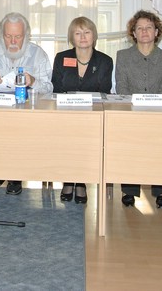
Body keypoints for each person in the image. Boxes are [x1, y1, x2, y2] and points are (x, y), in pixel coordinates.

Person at [0, 12, 53, 196]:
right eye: (8, 36)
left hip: (26, 113)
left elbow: (49, 88)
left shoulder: (38, 54)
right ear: (1, 35)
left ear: (26, 36)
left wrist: (33, 81)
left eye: (18, 37)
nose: (12, 41)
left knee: (20, 127)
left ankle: (15, 175)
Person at [114, 10, 162, 209]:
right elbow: (121, 87)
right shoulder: (123, 56)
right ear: (134, 33)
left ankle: (161, 191)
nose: (144, 31)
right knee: (129, 141)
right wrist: (136, 111)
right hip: (131, 112)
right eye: (140, 28)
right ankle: (129, 190)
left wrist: (153, 111)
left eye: (149, 27)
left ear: (156, 32)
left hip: (159, 114)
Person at [52, 16, 113, 205]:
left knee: (85, 141)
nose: (83, 37)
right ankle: (68, 180)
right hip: (65, 113)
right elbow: (56, 87)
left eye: (87, 32)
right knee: (66, 141)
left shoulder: (105, 61)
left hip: (92, 115)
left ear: (94, 35)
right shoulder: (62, 58)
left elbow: (104, 90)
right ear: (72, 37)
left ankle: (81, 182)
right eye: (78, 33)